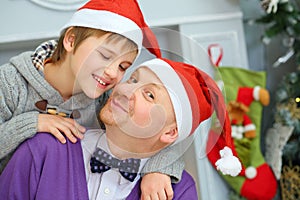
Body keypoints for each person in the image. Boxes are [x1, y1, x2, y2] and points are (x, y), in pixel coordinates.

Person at [0, 0, 184, 199]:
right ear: (70, 41)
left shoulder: (104, 99)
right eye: (105, 56)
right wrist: (33, 123)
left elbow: (151, 134)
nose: (112, 72)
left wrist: (159, 169)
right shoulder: (10, 83)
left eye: (123, 67)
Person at [0, 58, 242, 199]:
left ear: (169, 133)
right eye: (133, 80)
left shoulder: (178, 192)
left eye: (149, 95)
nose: (126, 90)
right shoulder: (42, 150)